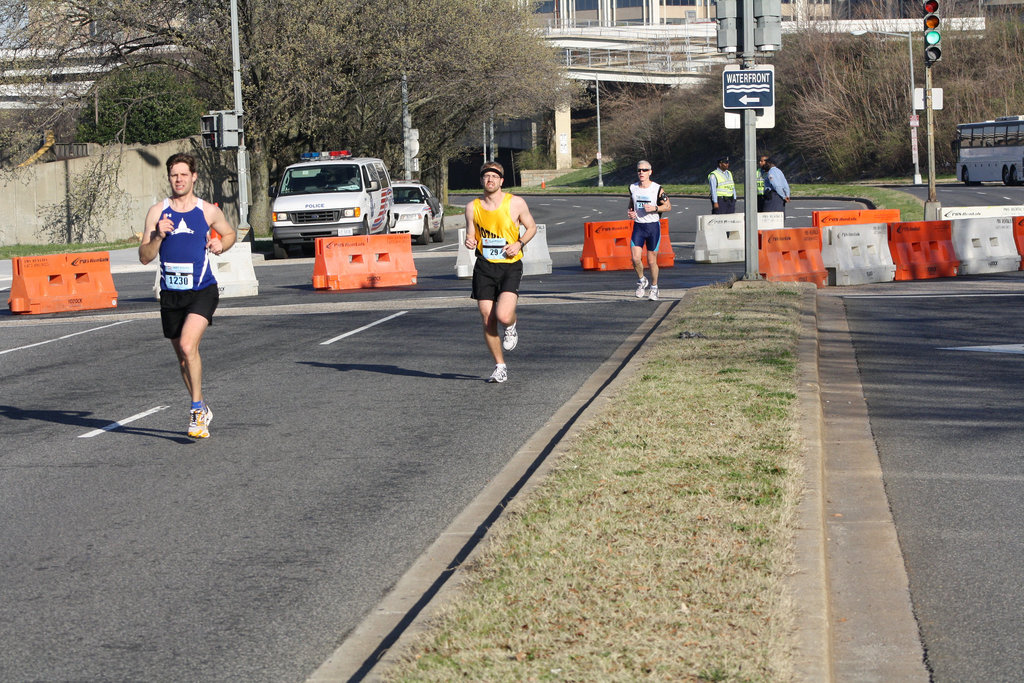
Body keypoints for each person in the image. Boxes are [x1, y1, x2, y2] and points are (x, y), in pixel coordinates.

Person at [139, 153, 237, 438]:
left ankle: (195, 411)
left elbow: (229, 234)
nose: (179, 179)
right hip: (171, 294)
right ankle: (202, 406)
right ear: (169, 178)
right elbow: (145, 257)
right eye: (174, 175)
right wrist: (158, 236)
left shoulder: (207, 211)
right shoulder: (157, 212)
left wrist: (220, 244)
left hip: (202, 290)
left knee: (187, 345)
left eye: (183, 174)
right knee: (183, 358)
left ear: (194, 177)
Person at [464, 161, 538, 384]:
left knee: (503, 315)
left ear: (501, 181)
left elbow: (531, 227)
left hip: (510, 264)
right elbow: (471, 235)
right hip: (484, 266)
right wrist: (470, 241)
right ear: (482, 181)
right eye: (486, 176)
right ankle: (500, 366)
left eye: (494, 177)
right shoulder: (472, 207)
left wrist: (519, 243)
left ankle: (512, 325)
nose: (490, 180)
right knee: (488, 319)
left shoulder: (515, 203)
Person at [626, 160, 671, 301]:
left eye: (645, 170)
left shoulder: (657, 189)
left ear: (650, 172)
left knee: (652, 261)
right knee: (635, 258)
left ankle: (654, 287)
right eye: (639, 170)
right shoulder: (633, 187)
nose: (641, 172)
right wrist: (631, 212)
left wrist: (655, 208)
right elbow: (631, 204)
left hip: (653, 227)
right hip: (639, 226)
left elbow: (668, 206)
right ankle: (641, 280)